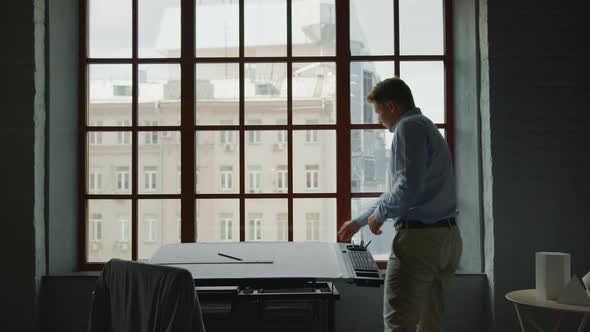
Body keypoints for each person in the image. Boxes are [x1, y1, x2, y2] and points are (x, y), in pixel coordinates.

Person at [337, 77, 462, 332]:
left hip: (419, 243)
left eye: (379, 111)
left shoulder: (408, 127)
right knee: (430, 325)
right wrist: (359, 221)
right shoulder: (427, 127)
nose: (378, 119)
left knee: (398, 324)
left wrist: (381, 214)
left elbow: (408, 188)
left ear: (392, 106)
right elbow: (400, 189)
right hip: (448, 239)